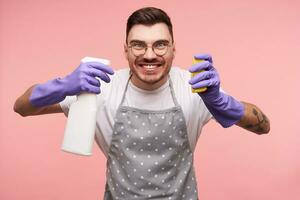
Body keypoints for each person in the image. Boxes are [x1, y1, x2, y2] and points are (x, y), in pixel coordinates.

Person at [14, 7, 270, 200]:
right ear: (125, 49)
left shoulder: (194, 88)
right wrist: (62, 85)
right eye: (138, 45)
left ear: (173, 49)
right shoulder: (101, 87)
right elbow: (22, 107)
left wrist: (221, 102)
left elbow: (262, 126)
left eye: (160, 45)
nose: (149, 55)